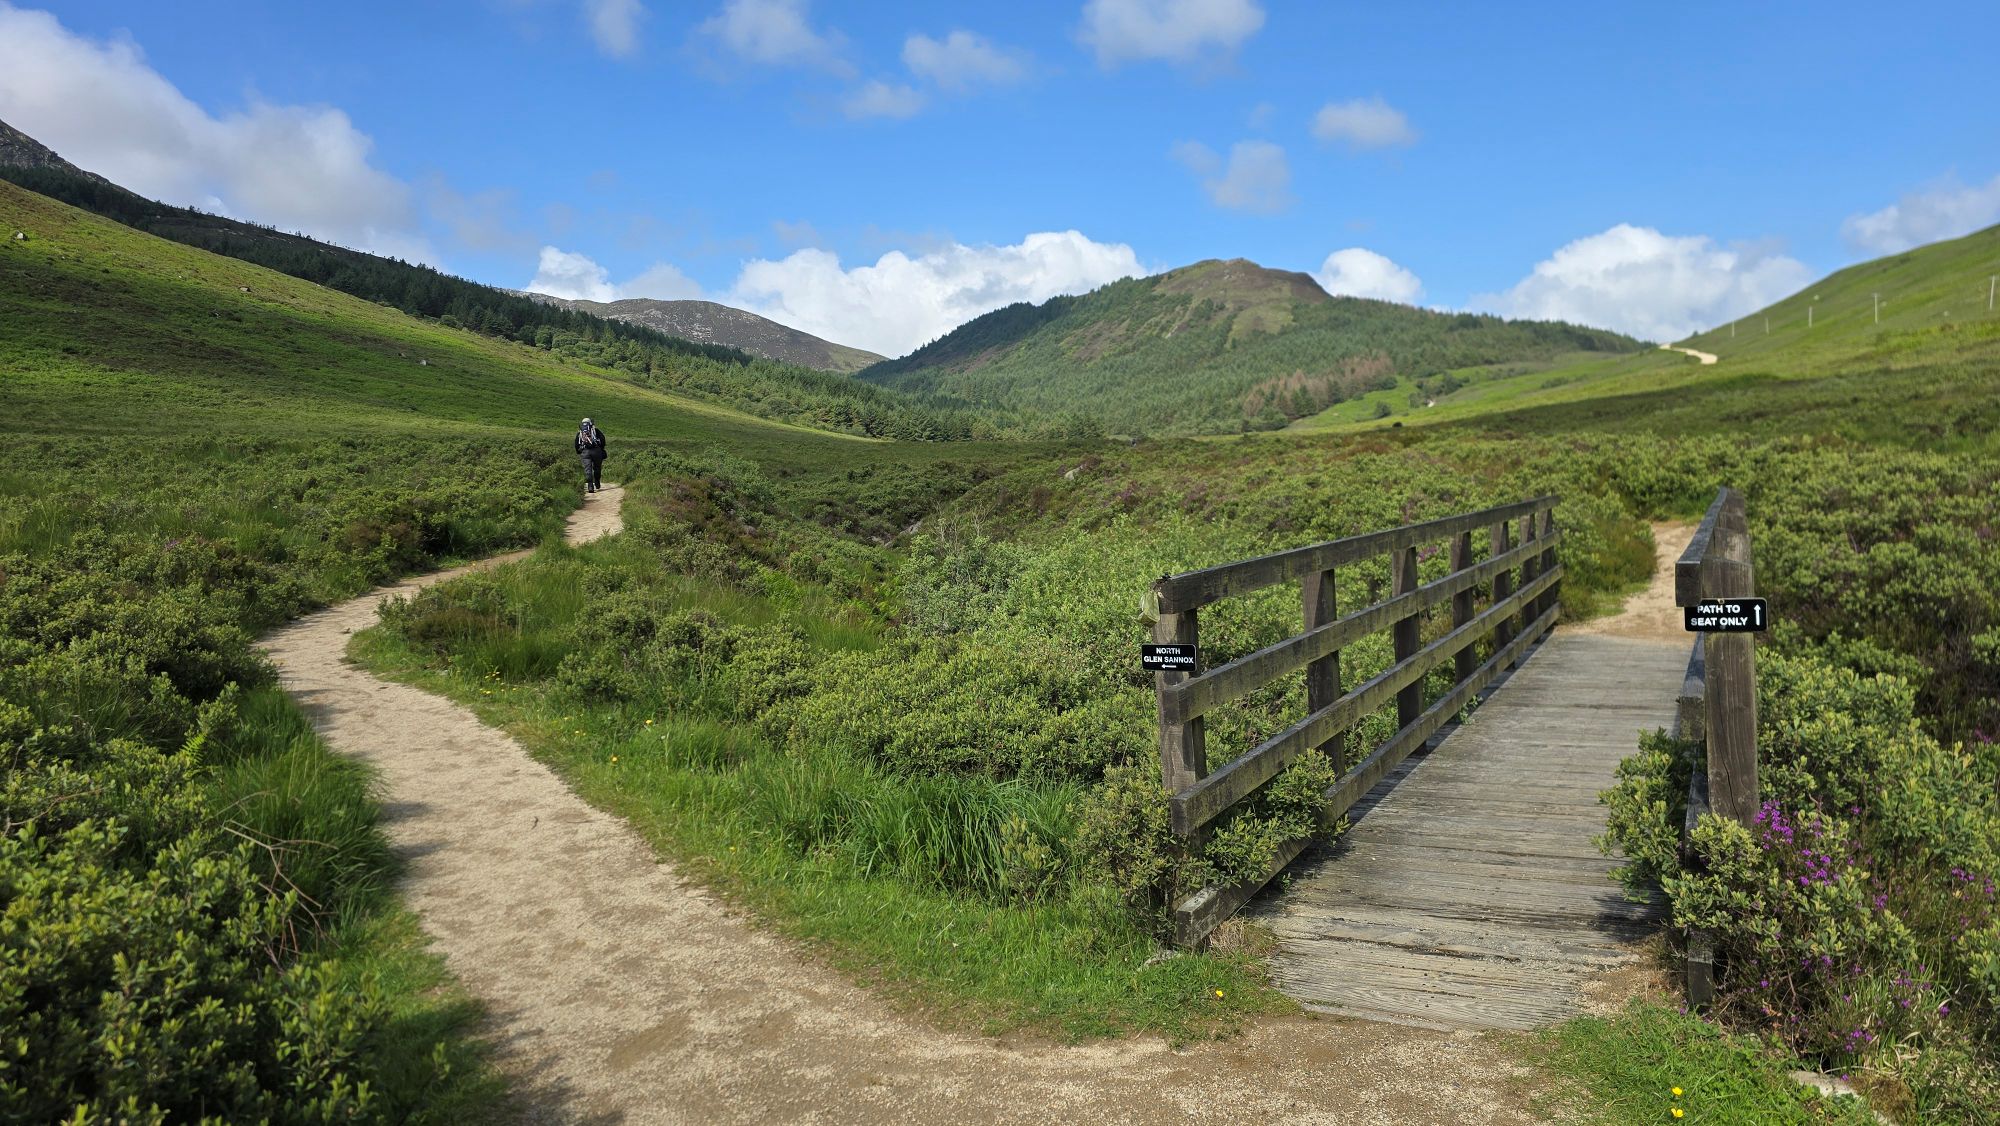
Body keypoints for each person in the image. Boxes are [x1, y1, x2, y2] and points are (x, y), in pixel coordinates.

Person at [575, 417, 608, 493]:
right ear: (591, 423)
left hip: (585, 452)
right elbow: (603, 440)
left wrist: (579, 451)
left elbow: (576, 444)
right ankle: (597, 482)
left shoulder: (580, 433)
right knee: (597, 468)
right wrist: (601, 448)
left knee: (588, 470)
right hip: (596, 451)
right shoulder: (596, 431)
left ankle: (590, 486)